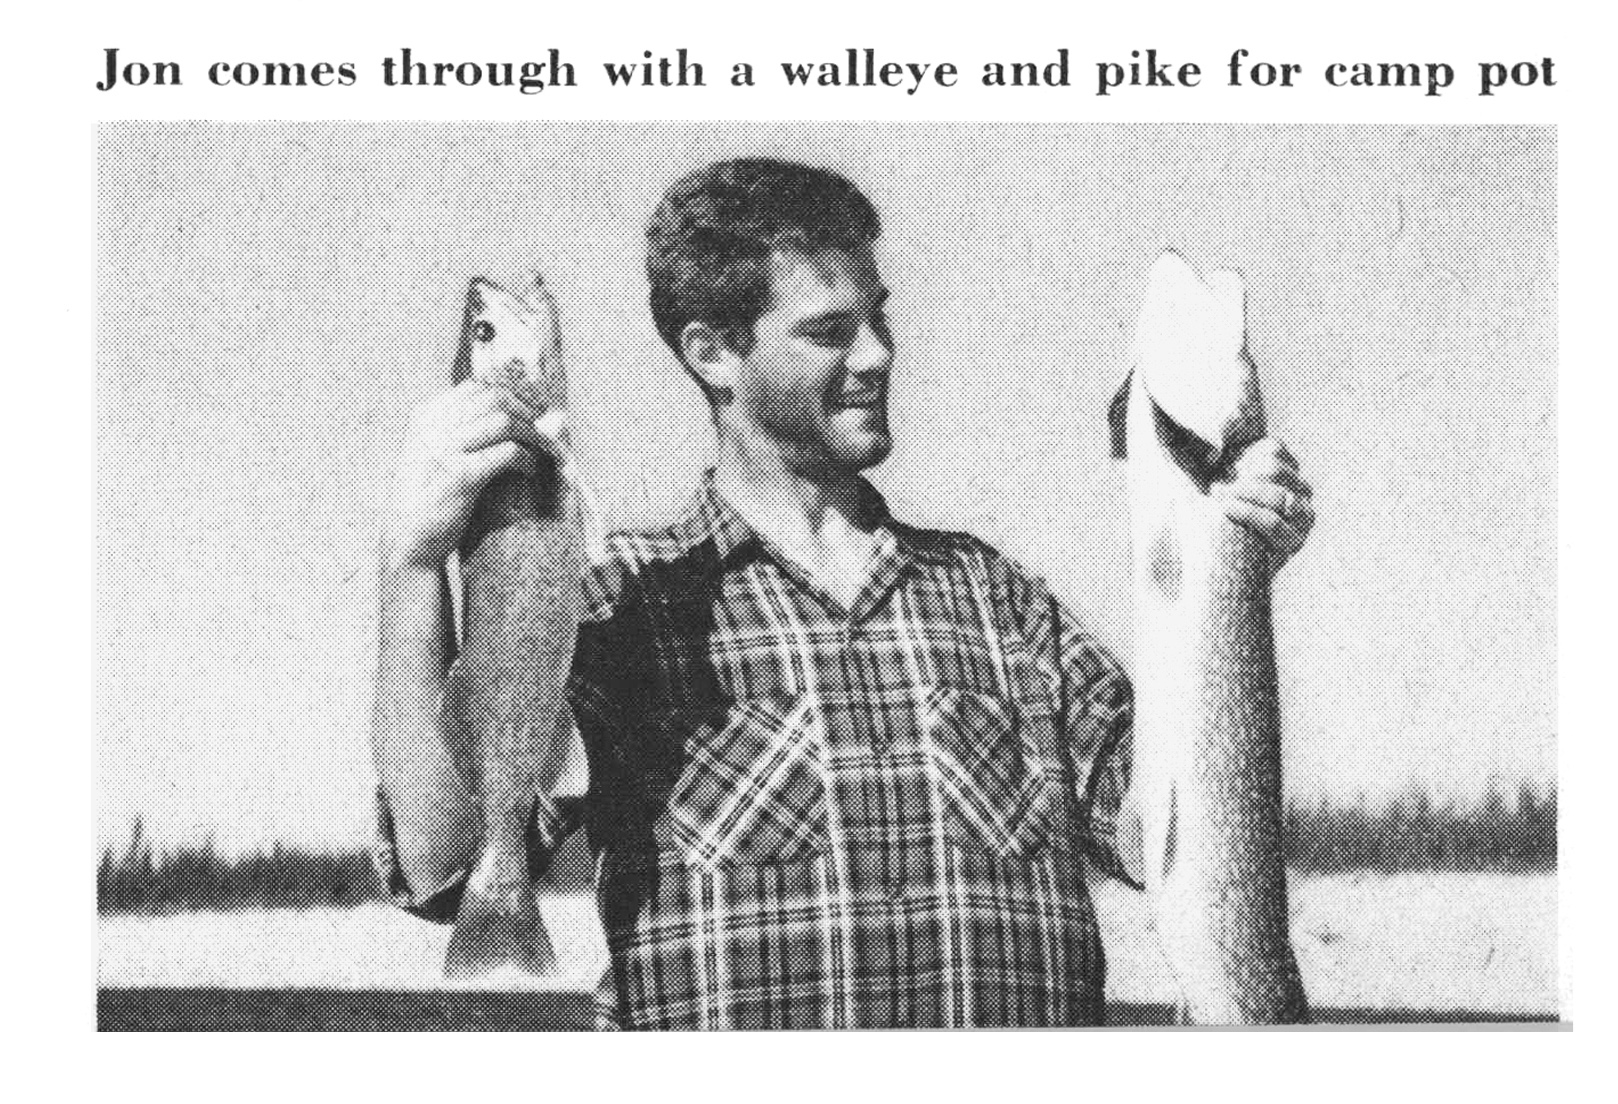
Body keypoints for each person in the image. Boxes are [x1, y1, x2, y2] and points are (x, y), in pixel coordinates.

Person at [370, 157, 1315, 1029]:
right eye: (829, 331)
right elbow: (448, 867)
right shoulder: (623, 611)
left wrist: (1226, 579)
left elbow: (1171, 834)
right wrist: (413, 565)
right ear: (712, 353)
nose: (877, 355)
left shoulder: (1000, 601)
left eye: (879, 317)